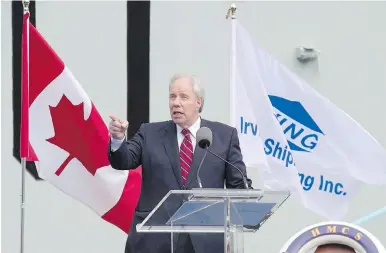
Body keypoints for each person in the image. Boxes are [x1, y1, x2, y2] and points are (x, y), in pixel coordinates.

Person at [108, 73, 253, 253]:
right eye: (172, 96)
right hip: (154, 241)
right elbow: (123, 160)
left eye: (183, 97)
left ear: (198, 102)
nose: (176, 103)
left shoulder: (224, 136)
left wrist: (250, 201)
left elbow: (238, 186)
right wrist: (118, 139)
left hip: (205, 242)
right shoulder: (150, 132)